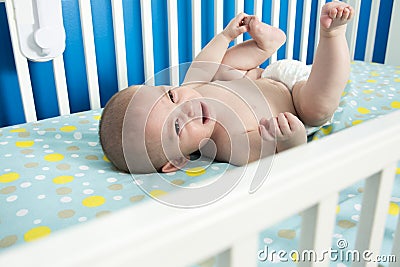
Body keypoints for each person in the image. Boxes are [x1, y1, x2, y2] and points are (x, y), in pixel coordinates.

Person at [99, 1, 354, 174]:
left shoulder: (192, 88)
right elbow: (274, 153)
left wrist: (226, 37)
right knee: (317, 109)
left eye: (171, 96)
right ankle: (333, 36)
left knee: (216, 69)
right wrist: (289, 140)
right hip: (296, 98)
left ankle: (265, 45)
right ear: (177, 161)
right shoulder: (229, 144)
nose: (186, 108)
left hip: (268, 74)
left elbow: (204, 62)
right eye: (177, 126)